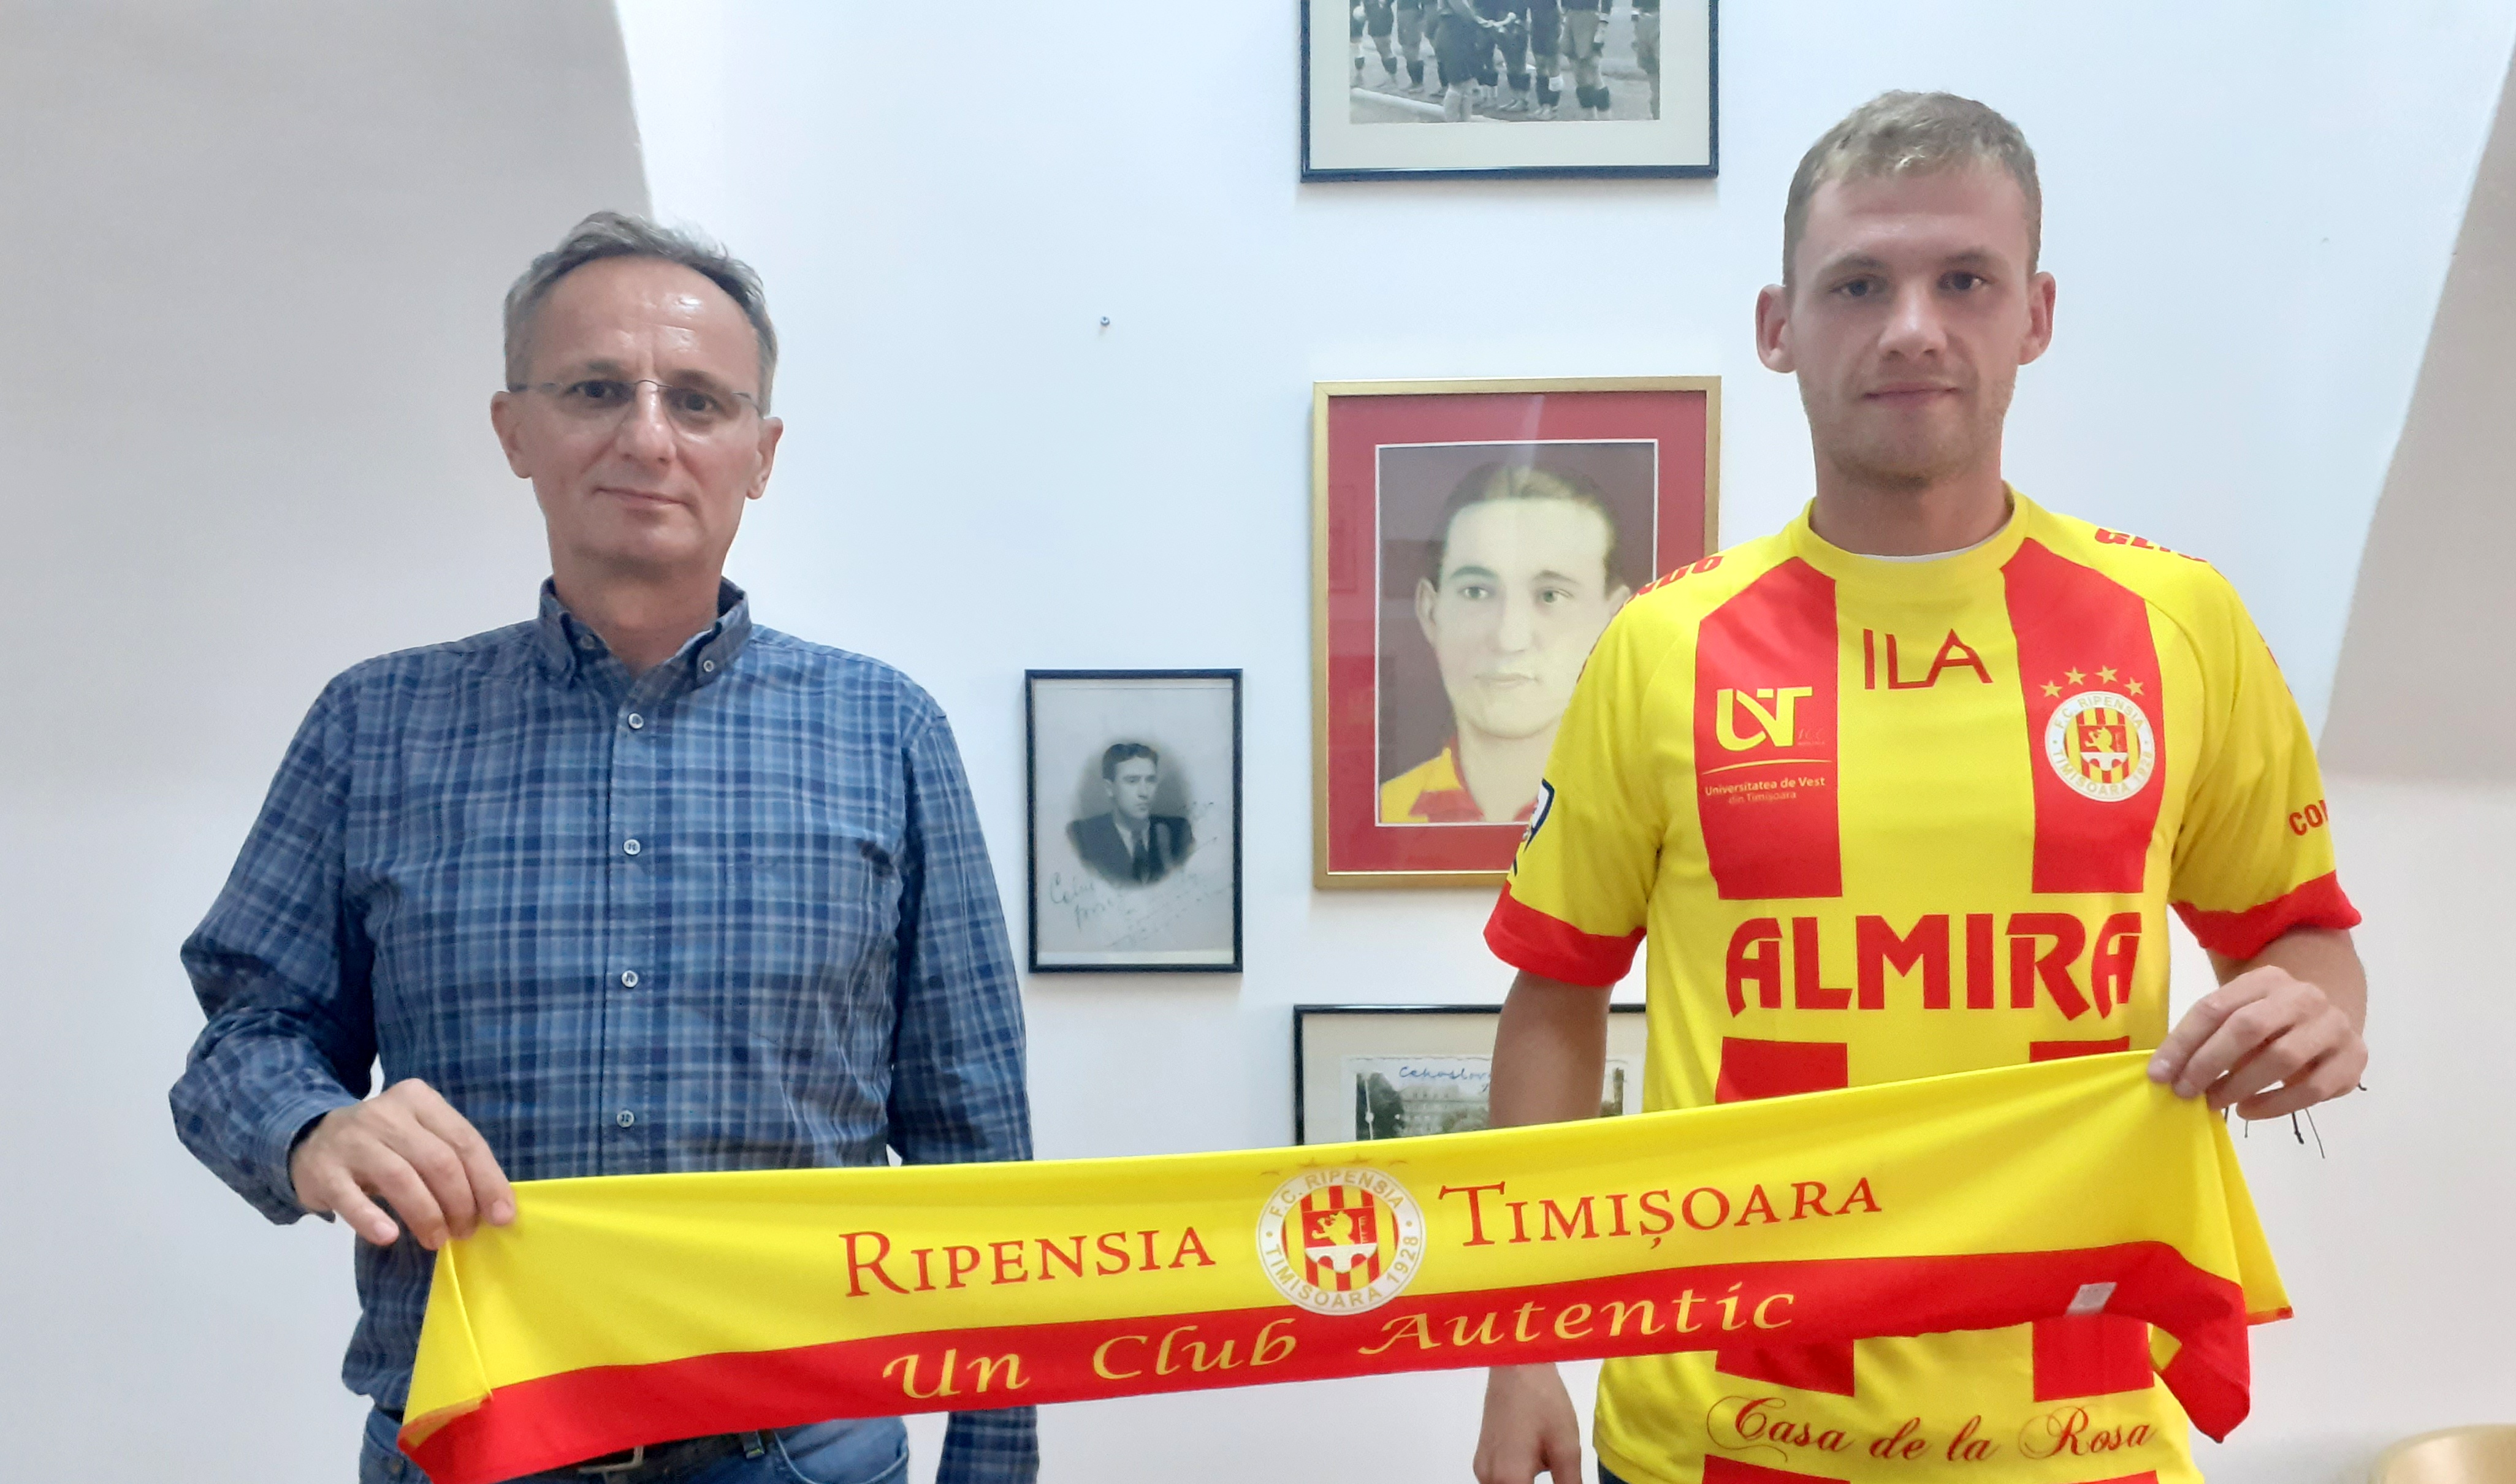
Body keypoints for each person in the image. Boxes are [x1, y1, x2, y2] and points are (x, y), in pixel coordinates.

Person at [1473, 93, 2369, 1484]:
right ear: (1778, 325)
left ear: (2035, 315)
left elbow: (2298, 936)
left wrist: (2312, 1018)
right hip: (1719, 1431)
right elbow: (1556, 993)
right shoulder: (1661, 645)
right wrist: (1518, 1342)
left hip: (2082, 1435)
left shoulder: (2176, 622)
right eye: (1856, 284)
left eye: (1963, 280)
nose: (1909, 326)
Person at [169, 213, 1037, 1484]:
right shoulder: (373, 726)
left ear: (760, 453)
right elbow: (240, 1045)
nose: (646, 436)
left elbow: (980, 1157)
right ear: (513, 429)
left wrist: (993, 1460)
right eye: (593, 390)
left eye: (697, 399)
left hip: (799, 1454)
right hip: (465, 1444)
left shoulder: (886, 733)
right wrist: (312, 1130)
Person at [1381, 463, 1633, 824]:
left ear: (1614, 619)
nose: (1508, 639)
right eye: (1476, 592)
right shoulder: (1381, 814)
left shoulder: (1641, 815)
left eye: (1550, 595)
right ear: (1430, 613)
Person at [1068, 741, 1194, 885]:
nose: (1144, 793)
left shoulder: (1178, 832)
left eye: (1150, 780)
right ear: (1110, 788)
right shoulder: (1083, 836)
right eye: (1132, 781)